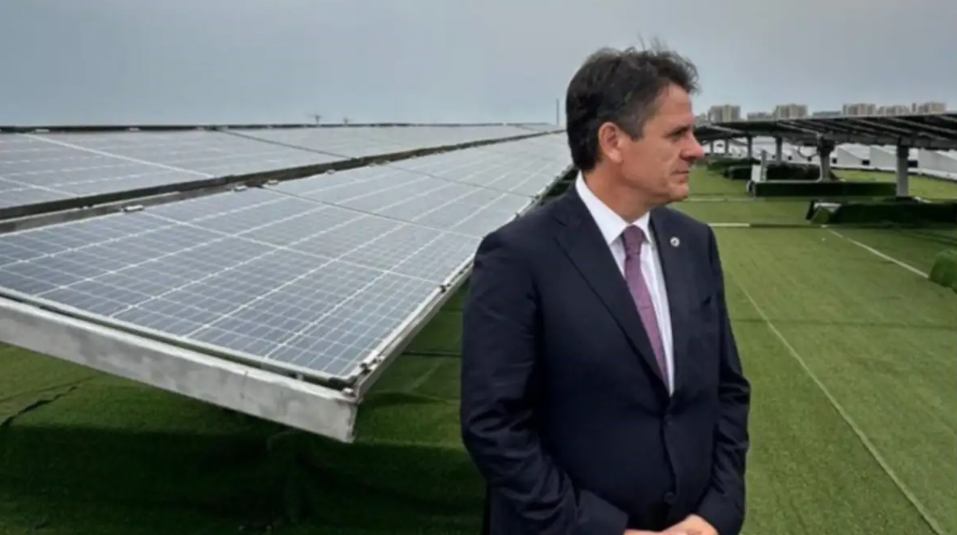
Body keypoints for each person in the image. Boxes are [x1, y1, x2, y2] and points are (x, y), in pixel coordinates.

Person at [459, 44, 751, 535]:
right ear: (613, 141)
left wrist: (714, 515)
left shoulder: (693, 244)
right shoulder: (518, 257)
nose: (697, 150)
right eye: (677, 134)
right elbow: (495, 426)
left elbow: (727, 391)